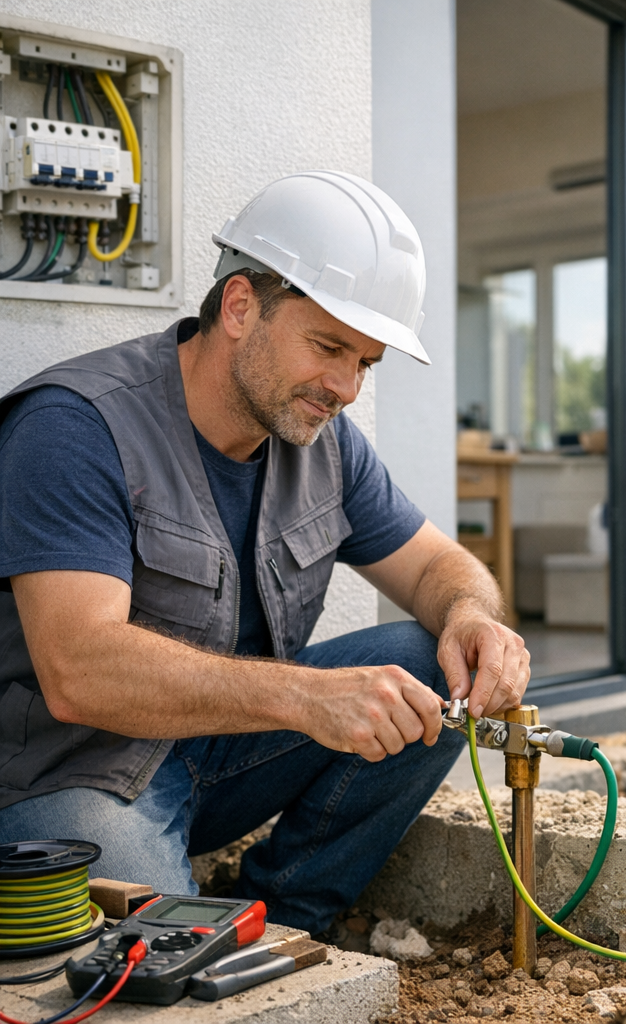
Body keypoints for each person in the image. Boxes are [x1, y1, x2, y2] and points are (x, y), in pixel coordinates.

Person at [0, 171, 529, 936]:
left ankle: (290, 920)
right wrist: (308, 698)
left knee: (425, 658)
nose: (346, 387)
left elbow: (435, 567)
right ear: (241, 306)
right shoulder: (76, 428)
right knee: (170, 961)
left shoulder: (324, 441)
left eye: (366, 363)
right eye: (329, 347)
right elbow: (79, 671)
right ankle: (211, 934)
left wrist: (474, 618)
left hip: (217, 758)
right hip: (73, 775)